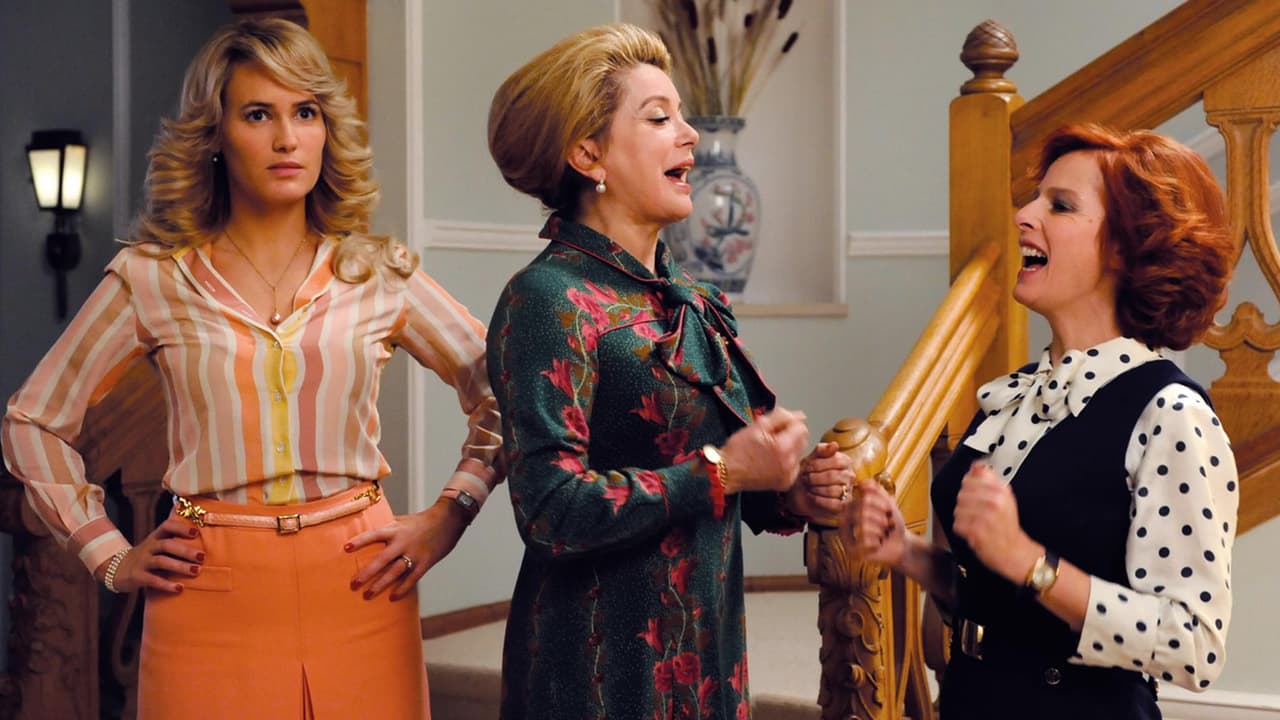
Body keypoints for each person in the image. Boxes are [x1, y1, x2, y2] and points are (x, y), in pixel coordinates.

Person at [1, 18, 501, 719]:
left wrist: (452, 514)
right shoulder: (152, 277)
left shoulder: (378, 274)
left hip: (362, 581)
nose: (287, 138)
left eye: (306, 113)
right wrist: (107, 552)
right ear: (216, 134)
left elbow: (508, 391)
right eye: (259, 114)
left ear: (327, 131)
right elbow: (33, 420)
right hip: (205, 592)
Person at [485, 23, 852, 720]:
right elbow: (550, 511)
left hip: (708, 652)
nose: (690, 135)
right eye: (659, 118)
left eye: (682, 115)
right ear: (588, 153)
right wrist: (723, 472)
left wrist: (790, 490)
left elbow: (717, 468)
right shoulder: (547, 299)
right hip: (597, 672)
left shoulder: (686, 296)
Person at [850, 123, 1238, 719]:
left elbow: (1193, 646)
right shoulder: (1015, 397)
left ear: (1125, 248)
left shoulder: (1171, 415)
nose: (1024, 216)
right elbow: (1005, 604)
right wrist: (908, 554)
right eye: (1035, 199)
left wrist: (1032, 563)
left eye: (1060, 205)